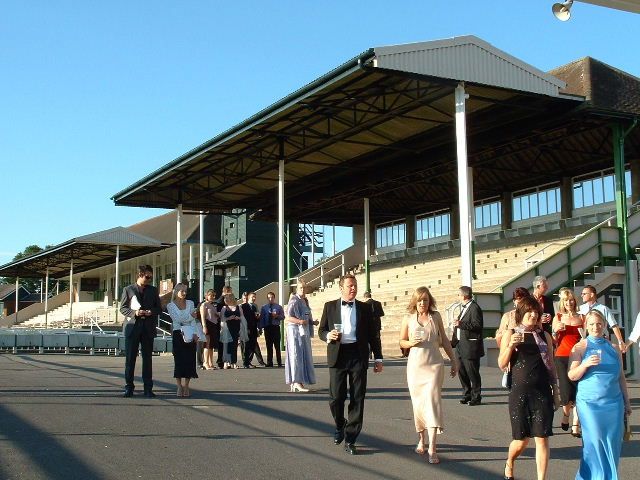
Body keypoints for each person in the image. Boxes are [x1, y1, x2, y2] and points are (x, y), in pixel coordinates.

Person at [318, 274, 383, 456]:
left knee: (357, 398)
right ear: (341, 288)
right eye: (350, 286)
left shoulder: (364, 308)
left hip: (358, 355)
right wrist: (327, 336)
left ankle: (351, 438)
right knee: (335, 398)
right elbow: (321, 330)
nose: (353, 289)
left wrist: (378, 358)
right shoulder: (329, 306)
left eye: (355, 285)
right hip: (338, 356)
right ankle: (340, 424)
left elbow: (373, 335)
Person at [498, 295, 559, 480]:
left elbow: (551, 364)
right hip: (520, 393)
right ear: (521, 313)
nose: (533, 315)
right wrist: (511, 346)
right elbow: (502, 363)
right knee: (521, 440)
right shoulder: (512, 333)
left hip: (542, 392)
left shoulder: (544, 335)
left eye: (536, 312)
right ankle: (510, 461)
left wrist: (556, 391)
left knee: (542, 438)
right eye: (529, 312)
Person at [568, 310, 632, 480]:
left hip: (613, 404)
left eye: (599, 324)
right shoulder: (580, 347)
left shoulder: (614, 348)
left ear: (604, 325)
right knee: (594, 442)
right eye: (591, 324)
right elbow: (572, 375)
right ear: (586, 326)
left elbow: (621, 377)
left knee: (612, 444)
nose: (595, 327)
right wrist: (585, 364)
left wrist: (627, 402)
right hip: (589, 404)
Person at [399, 286, 457, 464]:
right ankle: (421, 438)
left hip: (434, 366)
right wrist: (411, 342)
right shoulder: (408, 319)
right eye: (419, 300)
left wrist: (453, 360)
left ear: (429, 301)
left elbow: (445, 340)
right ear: (414, 302)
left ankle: (433, 446)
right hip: (416, 366)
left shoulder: (436, 316)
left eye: (425, 300)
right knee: (418, 405)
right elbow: (401, 341)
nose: (423, 303)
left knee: (432, 402)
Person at [120, 265, 161, 398]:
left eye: (151, 277)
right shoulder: (128, 289)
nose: (149, 279)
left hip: (148, 328)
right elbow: (123, 308)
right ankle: (129, 387)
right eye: (147, 276)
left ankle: (148, 388)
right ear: (139, 275)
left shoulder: (153, 290)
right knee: (130, 360)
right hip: (133, 328)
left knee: (147, 360)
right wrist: (135, 312)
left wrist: (151, 312)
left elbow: (159, 308)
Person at [551, 287, 584, 437]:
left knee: (579, 390)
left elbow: (587, 338)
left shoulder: (582, 317)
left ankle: (576, 424)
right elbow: (553, 340)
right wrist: (555, 331)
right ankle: (566, 415)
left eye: (571, 300)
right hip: (562, 356)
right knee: (566, 390)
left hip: (578, 356)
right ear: (562, 303)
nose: (569, 303)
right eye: (566, 300)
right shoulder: (557, 317)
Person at [452, 285, 484, 406]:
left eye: (459, 294)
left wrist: (461, 323)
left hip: (470, 345)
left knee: (472, 372)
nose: (458, 297)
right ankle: (467, 393)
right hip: (460, 344)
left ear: (464, 295)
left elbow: (477, 325)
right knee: (462, 371)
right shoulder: (465, 308)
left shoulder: (475, 308)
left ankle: (476, 396)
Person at [167, 283, 199, 397]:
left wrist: (196, 333)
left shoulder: (190, 303)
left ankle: (187, 385)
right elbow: (177, 319)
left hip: (190, 332)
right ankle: (179, 385)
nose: (184, 293)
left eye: (185, 291)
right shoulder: (170, 305)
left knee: (189, 359)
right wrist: (191, 316)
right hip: (178, 333)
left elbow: (193, 321)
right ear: (176, 292)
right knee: (179, 360)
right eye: (182, 291)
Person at [285, 281, 318, 392]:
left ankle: (298, 381)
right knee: (296, 354)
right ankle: (296, 382)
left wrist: (312, 322)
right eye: (300, 288)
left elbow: (306, 317)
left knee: (303, 355)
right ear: (297, 288)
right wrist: (300, 321)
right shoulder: (294, 300)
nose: (302, 290)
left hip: (303, 331)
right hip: (294, 331)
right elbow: (288, 317)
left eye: (304, 287)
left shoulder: (305, 300)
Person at [578, 285, 626, 352]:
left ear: (592, 295)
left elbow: (614, 325)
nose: (582, 296)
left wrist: (620, 341)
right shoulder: (580, 308)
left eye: (584, 294)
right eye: (581, 294)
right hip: (585, 340)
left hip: (600, 339)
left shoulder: (603, 308)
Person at [219, 294, 248, 369]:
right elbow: (222, 319)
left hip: (236, 328)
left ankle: (233, 362)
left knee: (234, 345)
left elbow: (242, 318)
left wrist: (238, 318)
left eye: (227, 298)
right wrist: (229, 318)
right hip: (227, 328)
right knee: (226, 345)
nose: (226, 300)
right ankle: (226, 362)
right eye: (225, 299)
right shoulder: (224, 308)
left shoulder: (239, 307)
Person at [259, 291, 284, 367]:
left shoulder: (278, 307)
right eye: (269, 297)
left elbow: (283, 316)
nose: (271, 299)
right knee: (269, 346)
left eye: (272, 297)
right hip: (267, 327)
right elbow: (262, 318)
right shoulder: (264, 307)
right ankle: (269, 362)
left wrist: (277, 316)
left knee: (277, 346)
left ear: (274, 298)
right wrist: (260, 327)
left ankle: (279, 361)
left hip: (275, 327)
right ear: (267, 298)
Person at [240, 291, 265, 368]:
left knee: (253, 345)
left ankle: (249, 361)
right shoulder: (243, 306)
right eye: (252, 297)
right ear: (248, 298)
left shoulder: (254, 307)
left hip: (253, 328)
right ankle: (246, 363)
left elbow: (256, 318)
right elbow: (242, 318)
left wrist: (257, 318)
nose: (254, 298)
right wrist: (245, 328)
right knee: (246, 346)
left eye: (255, 297)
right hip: (246, 328)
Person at [200, 289, 219, 370]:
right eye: (211, 295)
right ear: (207, 296)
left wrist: (217, 315)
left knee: (211, 346)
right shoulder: (204, 305)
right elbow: (203, 317)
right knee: (207, 345)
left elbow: (215, 315)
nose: (213, 297)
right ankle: (205, 362)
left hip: (213, 325)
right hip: (207, 324)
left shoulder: (212, 305)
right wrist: (204, 326)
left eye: (214, 295)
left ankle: (211, 363)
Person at [215, 286, 233, 368]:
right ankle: (220, 361)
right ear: (226, 291)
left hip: (228, 324)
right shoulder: (220, 301)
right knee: (222, 343)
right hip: (222, 325)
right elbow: (218, 314)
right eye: (230, 291)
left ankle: (226, 361)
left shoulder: (228, 300)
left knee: (228, 343)